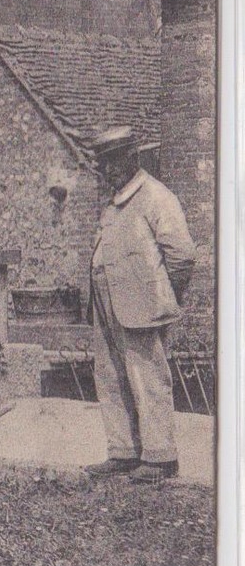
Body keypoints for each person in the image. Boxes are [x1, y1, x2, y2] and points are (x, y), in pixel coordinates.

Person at [83, 126, 195, 484]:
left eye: (113, 163)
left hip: (142, 304)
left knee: (148, 377)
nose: (106, 171)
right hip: (106, 303)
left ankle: (160, 457)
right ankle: (123, 452)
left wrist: (162, 296)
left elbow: (182, 257)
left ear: (132, 159)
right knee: (111, 376)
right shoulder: (115, 202)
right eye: (103, 164)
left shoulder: (156, 197)